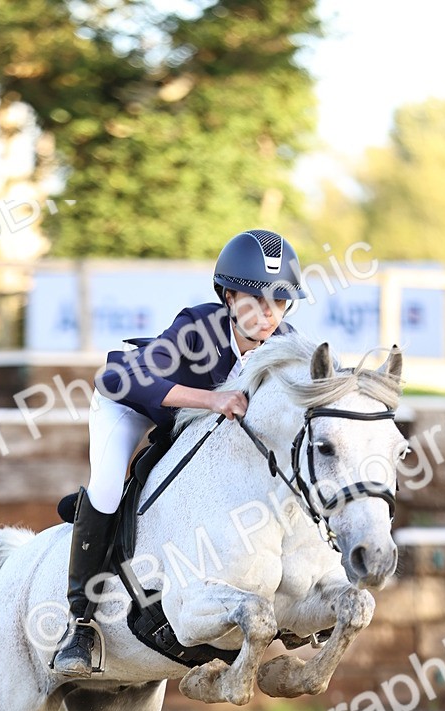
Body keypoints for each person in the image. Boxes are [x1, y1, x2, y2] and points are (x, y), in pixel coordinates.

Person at [49, 228, 307, 677]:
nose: (269, 315)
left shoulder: (285, 344)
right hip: (130, 405)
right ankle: (81, 624)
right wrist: (212, 400)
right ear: (228, 296)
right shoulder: (198, 328)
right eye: (256, 301)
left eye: (280, 303)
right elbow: (119, 382)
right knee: (109, 487)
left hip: (191, 425)